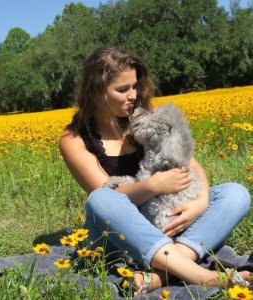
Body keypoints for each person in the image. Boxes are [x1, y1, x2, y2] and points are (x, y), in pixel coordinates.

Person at [59, 46, 252, 294]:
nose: (133, 95)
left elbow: (192, 166)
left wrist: (201, 201)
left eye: (135, 86)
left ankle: (162, 275)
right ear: (96, 91)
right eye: (122, 89)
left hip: (167, 222)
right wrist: (153, 186)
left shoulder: (144, 119)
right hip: (119, 235)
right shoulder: (74, 139)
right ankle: (203, 275)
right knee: (99, 199)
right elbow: (107, 196)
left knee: (235, 193)